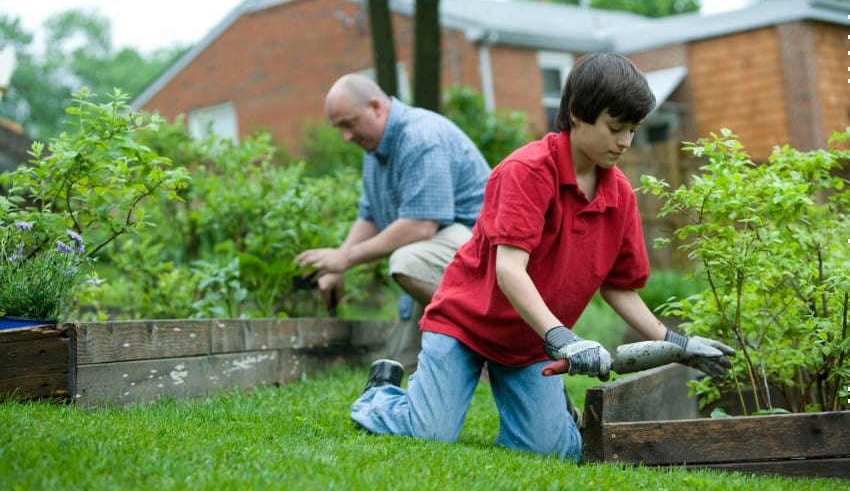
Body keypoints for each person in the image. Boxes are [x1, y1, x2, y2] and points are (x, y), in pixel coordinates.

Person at [349, 53, 735, 461]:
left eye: (633, 130)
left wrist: (679, 343)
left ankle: (552, 417)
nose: (625, 141)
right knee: (429, 433)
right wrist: (565, 339)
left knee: (551, 451)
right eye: (615, 127)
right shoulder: (527, 171)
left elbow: (619, 289)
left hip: (531, 341)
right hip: (465, 325)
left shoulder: (619, 194)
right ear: (576, 113)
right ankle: (382, 394)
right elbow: (510, 270)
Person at [295, 74, 491, 369]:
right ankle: (460, 352)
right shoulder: (375, 151)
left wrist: (346, 258)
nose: (345, 137)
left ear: (376, 107)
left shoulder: (420, 137)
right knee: (400, 363)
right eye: (339, 129)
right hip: (441, 257)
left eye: (349, 124)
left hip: (484, 256)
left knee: (407, 261)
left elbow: (420, 225)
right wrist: (335, 266)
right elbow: (370, 215)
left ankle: (489, 343)